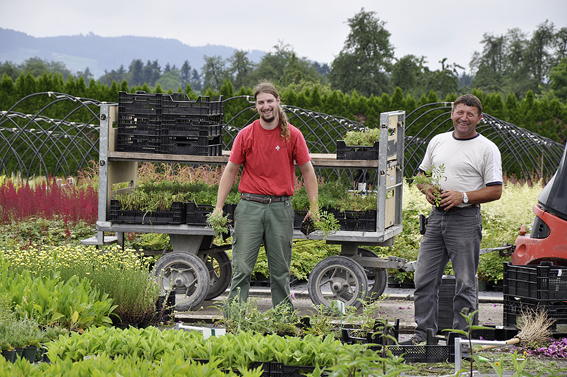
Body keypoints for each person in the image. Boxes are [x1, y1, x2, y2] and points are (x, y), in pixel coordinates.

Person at [403, 94, 503, 344]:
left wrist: (464, 196)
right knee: (424, 279)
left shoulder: (487, 148)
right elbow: (420, 176)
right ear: (452, 114)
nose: (464, 118)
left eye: (470, 114)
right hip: (437, 218)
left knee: (466, 283)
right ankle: (423, 336)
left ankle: (460, 341)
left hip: (466, 219)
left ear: (479, 118)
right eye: (460, 112)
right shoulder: (438, 141)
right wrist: (426, 189)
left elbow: (496, 190)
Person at [214, 81, 318, 312]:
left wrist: (315, 206)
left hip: (280, 209)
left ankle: (282, 318)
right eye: (261, 102)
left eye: (270, 101)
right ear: (256, 106)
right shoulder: (246, 135)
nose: (266, 106)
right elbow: (230, 170)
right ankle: (235, 317)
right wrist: (218, 207)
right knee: (242, 268)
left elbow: (307, 170)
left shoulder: (292, 135)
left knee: (280, 270)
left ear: (278, 102)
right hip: (249, 206)